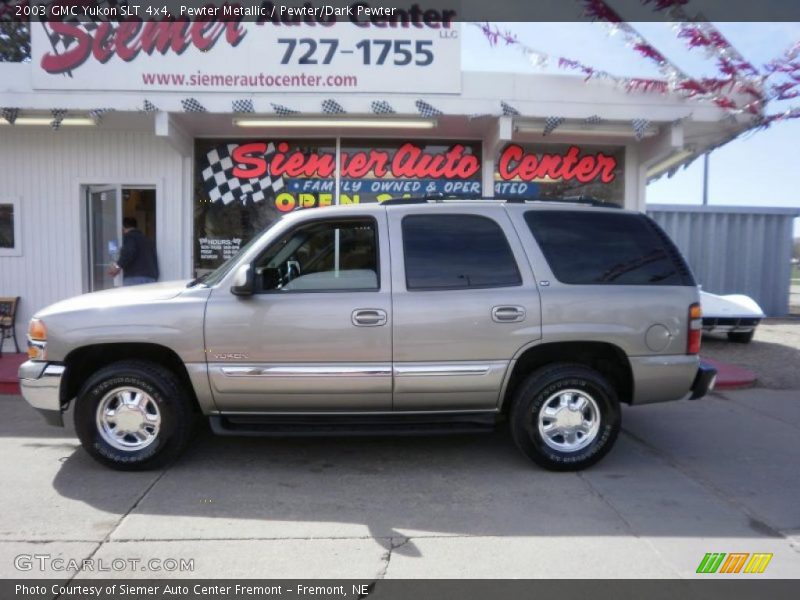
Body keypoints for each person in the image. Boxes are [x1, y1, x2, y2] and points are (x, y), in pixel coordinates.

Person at [108, 217, 159, 286]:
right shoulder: (147, 239)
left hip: (135, 278)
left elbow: (128, 253)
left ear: (122, 227)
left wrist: (117, 267)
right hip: (151, 278)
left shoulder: (130, 237)